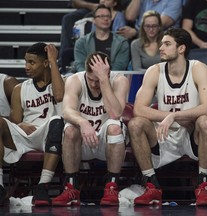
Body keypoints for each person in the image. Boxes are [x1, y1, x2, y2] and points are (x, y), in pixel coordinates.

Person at [128, 28, 207, 206]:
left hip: (191, 134)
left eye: (167, 44)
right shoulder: (154, 71)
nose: (161, 47)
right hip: (163, 134)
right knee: (135, 124)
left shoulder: (198, 68)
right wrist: (169, 117)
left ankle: (203, 184)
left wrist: (174, 115)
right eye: (161, 43)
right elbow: (138, 108)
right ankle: (151, 185)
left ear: (181, 48)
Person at [51, 51, 130, 206]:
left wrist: (104, 81)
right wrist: (83, 122)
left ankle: (111, 187)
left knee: (115, 127)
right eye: (91, 79)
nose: (94, 84)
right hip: (82, 140)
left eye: (98, 80)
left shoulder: (119, 80)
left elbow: (115, 113)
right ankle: (71, 188)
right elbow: (66, 111)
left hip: (107, 142)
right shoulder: (74, 80)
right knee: (70, 129)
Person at [0, 42, 65, 206]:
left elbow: (59, 96)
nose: (26, 67)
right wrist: (20, 125)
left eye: (32, 62)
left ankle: (42, 186)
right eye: (25, 62)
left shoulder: (63, 82)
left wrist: (53, 61)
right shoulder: (20, 89)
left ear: (45, 63)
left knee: (57, 120)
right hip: (26, 136)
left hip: (51, 134)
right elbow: (15, 120)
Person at [74, 4, 130, 72]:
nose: (106, 19)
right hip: (87, 79)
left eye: (108, 16)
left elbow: (120, 66)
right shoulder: (82, 42)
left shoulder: (122, 43)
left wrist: (105, 78)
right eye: (101, 16)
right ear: (94, 20)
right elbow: (80, 66)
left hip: (112, 79)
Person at [129, 10, 163, 103]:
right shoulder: (136, 44)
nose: (151, 29)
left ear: (159, 27)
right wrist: (156, 72)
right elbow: (137, 70)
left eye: (154, 26)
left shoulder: (166, 43)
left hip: (164, 83)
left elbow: (169, 68)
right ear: (143, 27)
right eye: (148, 26)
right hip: (143, 83)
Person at [58, 0, 99, 73]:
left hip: (111, 9)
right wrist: (92, 6)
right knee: (68, 18)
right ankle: (63, 62)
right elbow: (74, 2)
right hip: (90, 9)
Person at [117, 0, 183, 40]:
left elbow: (158, 25)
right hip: (139, 38)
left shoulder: (175, 1)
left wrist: (136, 32)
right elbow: (130, 17)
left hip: (162, 40)